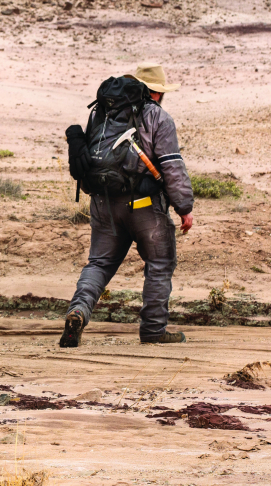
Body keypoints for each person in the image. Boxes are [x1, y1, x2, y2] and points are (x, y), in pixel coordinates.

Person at [59, 63, 194, 347]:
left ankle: (78, 311)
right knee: (159, 263)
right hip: (145, 207)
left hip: (104, 203)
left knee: (99, 264)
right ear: (156, 92)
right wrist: (184, 208)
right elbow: (172, 167)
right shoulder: (159, 117)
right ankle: (154, 331)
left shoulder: (102, 112)